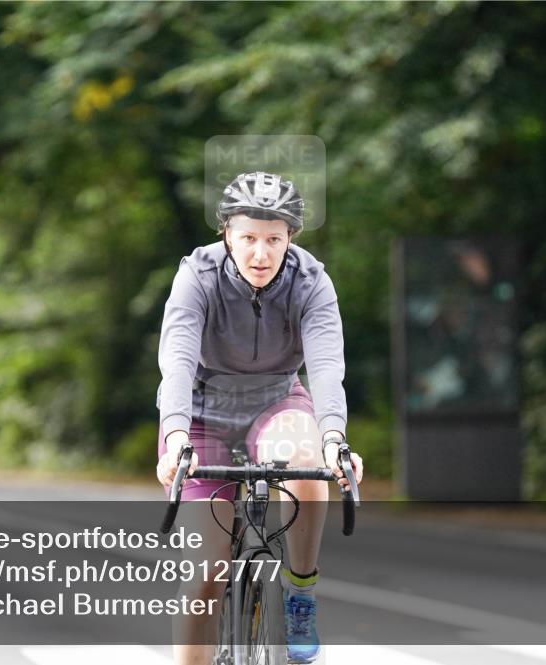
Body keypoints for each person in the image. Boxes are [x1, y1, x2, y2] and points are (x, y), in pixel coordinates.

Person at [156, 171, 364, 664]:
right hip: (205, 416)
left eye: (273, 239)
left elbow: (327, 366)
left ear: (290, 238)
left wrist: (335, 438)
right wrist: (175, 435)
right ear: (226, 232)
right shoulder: (197, 276)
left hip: (277, 403)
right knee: (206, 572)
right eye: (248, 237)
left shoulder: (311, 281)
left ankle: (300, 593)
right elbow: (178, 360)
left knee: (307, 461)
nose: (260, 254)